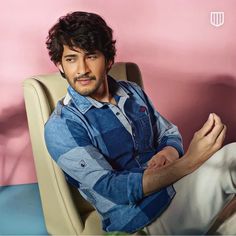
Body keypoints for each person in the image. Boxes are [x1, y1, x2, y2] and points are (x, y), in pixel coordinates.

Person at [44, 11, 236, 234]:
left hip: (176, 190)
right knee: (232, 157)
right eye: (71, 59)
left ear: (109, 60)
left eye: (91, 56)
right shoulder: (61, 126)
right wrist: (189, 161)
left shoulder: (132, 92)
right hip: (142, 218)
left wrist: (168, 154)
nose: (82, 69)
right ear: (60, 65)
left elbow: (168, 134)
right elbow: (112, 188)